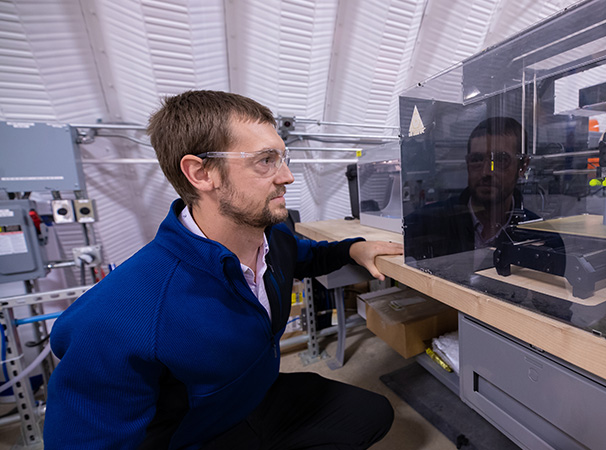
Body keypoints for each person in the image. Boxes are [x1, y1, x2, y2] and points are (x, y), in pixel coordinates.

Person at [43, 90, 402, 449]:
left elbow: (308, 256)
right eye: (265, 161)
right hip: (197, 436)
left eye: (282, 157)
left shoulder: (274, 239)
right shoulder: (121, 316)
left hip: (254, 400)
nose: (288, 177)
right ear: (201, 173)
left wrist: (354, 247)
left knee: (374, 413)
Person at [404, 116, 539, 261]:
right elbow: (389, 242)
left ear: (523, 166)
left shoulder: (536, 233)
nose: (486, 172)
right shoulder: (430, 222)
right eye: (477, 160)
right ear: (467, 163)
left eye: (500, 160)